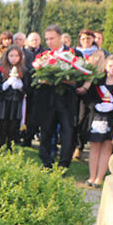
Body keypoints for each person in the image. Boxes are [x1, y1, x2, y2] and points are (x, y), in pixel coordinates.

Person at [35, 24, 82, 169]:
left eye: (52, 38)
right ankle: (46, 162)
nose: (49, 42)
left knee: (67, 133)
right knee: (46, 131)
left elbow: (81, 76)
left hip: (67, 101)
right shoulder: (43, 55)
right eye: (47, 39)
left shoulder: (74, 54)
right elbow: (35, 77)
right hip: (48, 100)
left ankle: (63, 165)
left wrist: (70, 81)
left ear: (60, 37)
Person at [80, 55, 113, 187]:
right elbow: (88, 99)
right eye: (110, 66)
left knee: (107, 148)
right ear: (105, 66)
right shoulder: (98, 81)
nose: (112, 69)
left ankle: (99, 178)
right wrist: (96, 106)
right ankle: (91, 177)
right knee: (94, 147)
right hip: (98, 118)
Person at [73, 29, 106, 161]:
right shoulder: (75, 52)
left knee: (85, 118)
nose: (85, 41)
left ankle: (80, 147)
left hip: (90, 90)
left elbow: (95, 72)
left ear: (93, 39)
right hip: (75, 89)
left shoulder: (98, 54)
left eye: (88, 38)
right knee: (75, 118)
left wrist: (85, 87)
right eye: (83, 39)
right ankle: (74, 145)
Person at [0, 45, 30, 151]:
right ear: (7, 56)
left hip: (17, 102)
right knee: (3, 127)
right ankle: (0, 146)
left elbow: (29, 89)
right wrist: (4, 85)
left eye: (16, 56)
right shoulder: (1, 69)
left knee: (13, 128)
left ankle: (10, 148)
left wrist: (21, 86)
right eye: (11, 55)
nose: (13, 58)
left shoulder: (24, 71)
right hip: (4, 102)